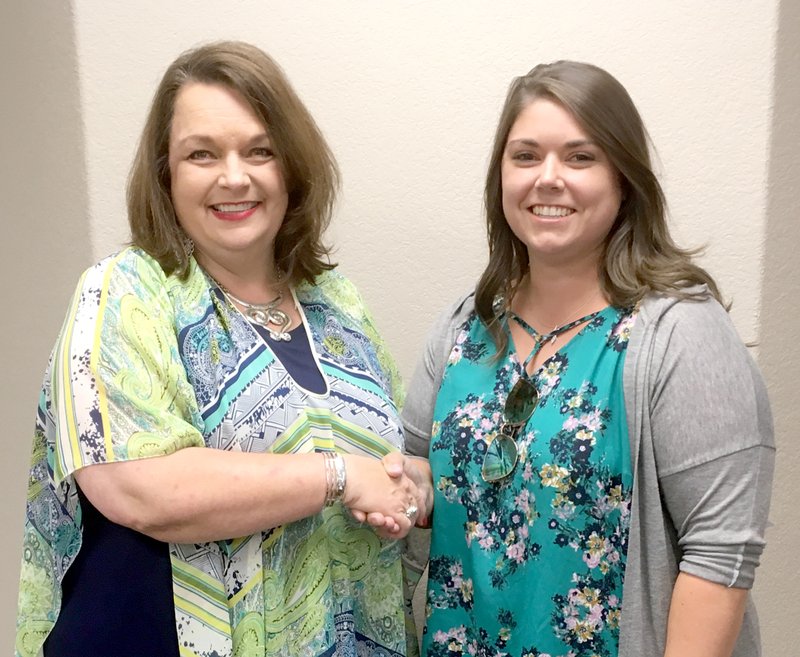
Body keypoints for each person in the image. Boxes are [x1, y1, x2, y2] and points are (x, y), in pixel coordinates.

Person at [16, 40, 431, 657]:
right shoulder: (125, 292)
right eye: (201, 154)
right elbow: (136, 485)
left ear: (291, 167)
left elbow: (389, 459)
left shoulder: (337, 302)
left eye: (259, 150)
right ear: (167, 175)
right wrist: (337, 476)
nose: (234, 176)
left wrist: (412, 486)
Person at [402, 61, 774, 657]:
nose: (548, 178)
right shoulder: (464, 328)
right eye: (525, 156)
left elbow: (721, 550)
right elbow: (416, 469)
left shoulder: (682, 333)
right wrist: (403, 487)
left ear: (623, 178)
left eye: (580, 157)